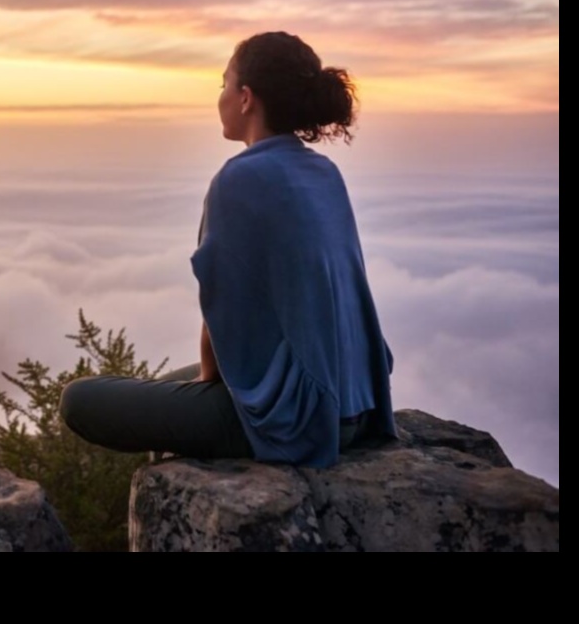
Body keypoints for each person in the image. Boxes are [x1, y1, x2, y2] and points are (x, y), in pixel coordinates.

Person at [60, 32, 397, 468]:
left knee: (80, 400)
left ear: (245, 99)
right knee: (164, 384)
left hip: (301, 420)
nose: (218, 96)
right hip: (357, 404)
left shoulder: (239, 179)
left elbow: (222, 319)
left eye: (223, 84)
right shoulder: (323, 171)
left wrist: (209, 390)